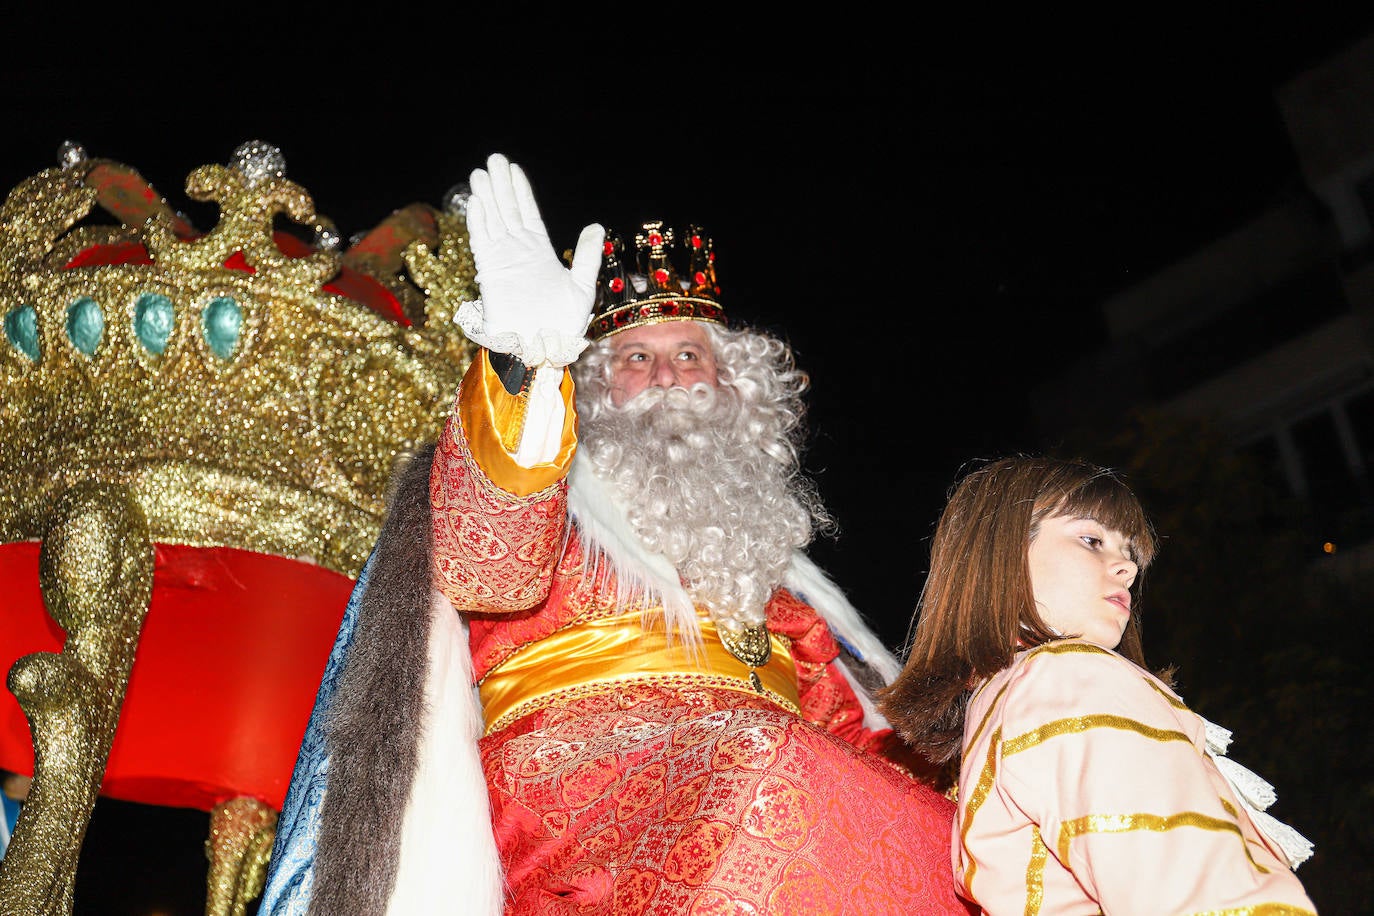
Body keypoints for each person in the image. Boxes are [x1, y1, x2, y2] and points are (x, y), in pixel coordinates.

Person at [258, 153, 974, 915]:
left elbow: (860, 745)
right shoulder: (549, 490)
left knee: (943, 834)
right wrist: (528, 363)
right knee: (767, 766)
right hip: (575, 789)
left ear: (735, 391)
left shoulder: (778, 579)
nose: (668, 377)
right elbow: (483, 566)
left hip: (765, 771)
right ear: (595, 386)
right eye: (637, 357)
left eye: (688, 356)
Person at [876, 456, 1317, 914]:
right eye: (1092, 540)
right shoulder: (1069, 676)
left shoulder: (1015, 695)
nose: (1127, 568)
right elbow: (1198, 893)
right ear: (1001, 554)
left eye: (1129, 553)